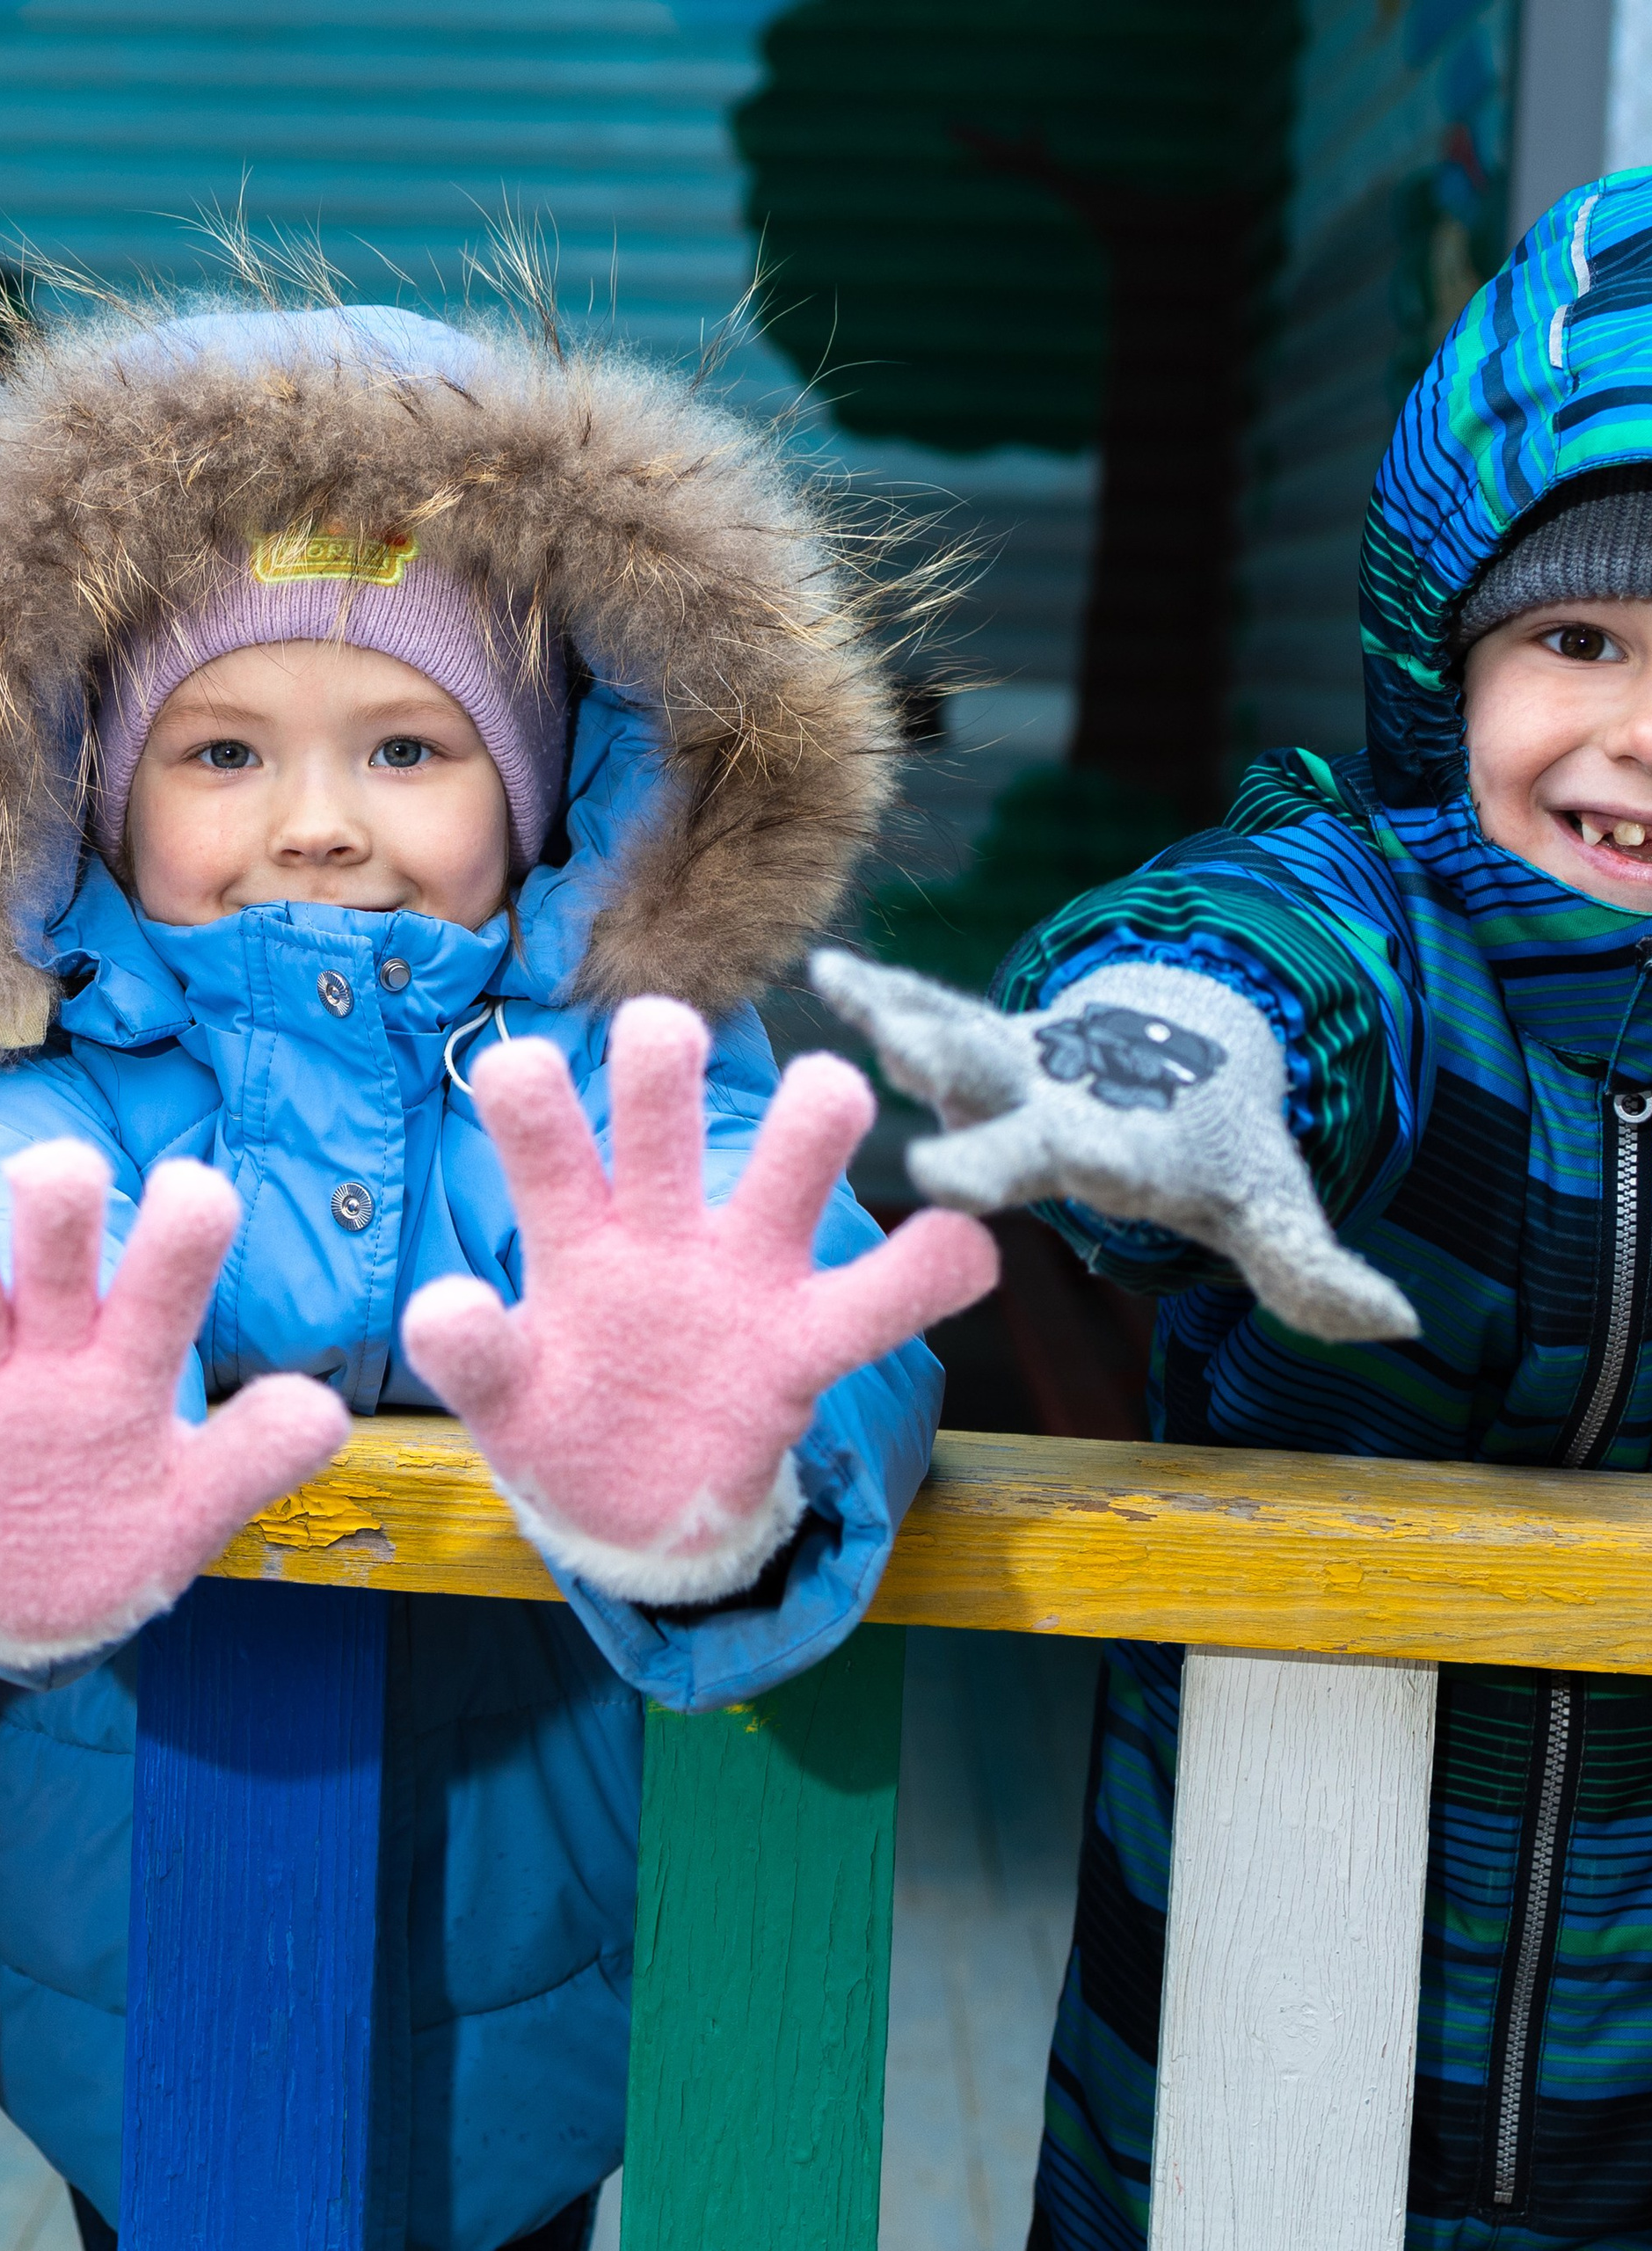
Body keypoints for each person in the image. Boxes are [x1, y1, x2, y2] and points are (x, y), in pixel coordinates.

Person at [0, 294, 996, 2250]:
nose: (318, 819)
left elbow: (753, 1252)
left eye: (406, 745)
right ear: (97, 785)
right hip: (122, 1930)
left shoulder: (614, 1058)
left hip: (526, 1925)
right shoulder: (33, 1068)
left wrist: (720, 1429)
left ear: (536, 798)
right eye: (221, 747)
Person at [818, 170, 1652, 2247]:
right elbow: (1246, 945)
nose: (1630, 732)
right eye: (1573, 637)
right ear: (1437, 654)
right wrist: (1169, 1068)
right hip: (1255, 2030)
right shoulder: (1387, 930)